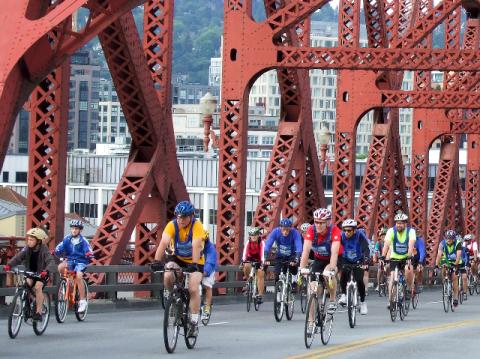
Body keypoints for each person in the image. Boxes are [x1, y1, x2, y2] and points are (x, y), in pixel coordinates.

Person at [152, 201, 206, 337]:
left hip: (196, 261)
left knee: (193, 288)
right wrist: (157, 261)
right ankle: (173, 298)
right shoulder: (172, 225)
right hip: (177, 258)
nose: (181, 220)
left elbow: (196, 245)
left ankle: (193, 323)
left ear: (192, 216)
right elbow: (163, 242)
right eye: (179, 216)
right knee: (168, 272)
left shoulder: (197, 226)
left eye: (184, 217)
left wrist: (194, 265)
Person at [4, 228, 57, 321]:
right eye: (28, 239)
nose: (29, 241)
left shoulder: (44, 249)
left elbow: (51, 261)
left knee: (37, 287)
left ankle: (38, 312)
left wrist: (47, 270)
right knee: (26, 285)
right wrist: (9, 265)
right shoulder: (27, 249)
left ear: (38, 241)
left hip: (42, 274)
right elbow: (18, 257)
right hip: (31, 272)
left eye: (32, 240)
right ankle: (30, 302)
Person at [299, 208, 343, 313]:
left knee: (327, 274)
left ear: (328, 222)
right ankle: (311, 322)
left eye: (321, 223)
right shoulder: (311, 229)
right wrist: (302, 268)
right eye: (316, 222)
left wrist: (332, 269)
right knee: (312, 290)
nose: (318, 225)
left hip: (334, 258)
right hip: (319, 259)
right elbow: (305, 250)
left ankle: (332, 299)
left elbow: (334, 252)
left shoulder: (335, 230)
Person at [55, 220, 93, 313]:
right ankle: (64, 283)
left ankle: (83, 300)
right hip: (70, 260)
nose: (74, 230)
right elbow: (59, 247)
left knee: (79, 276)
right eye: (72, 228)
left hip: (80, 261)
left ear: (80, 230)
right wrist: (56, 251)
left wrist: (89, 254)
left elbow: (89, 250)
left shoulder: (83, 241)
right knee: (60, 267)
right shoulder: (67, 239)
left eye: (76, 229)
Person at [380, 212, 416, 308]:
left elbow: (411, 244)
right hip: (394, 257)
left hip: (406, 257)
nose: (399, 225)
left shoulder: (411, 232)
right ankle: (390, 301)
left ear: (405, 224)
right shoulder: (391, 231)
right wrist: (383, 256)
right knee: (392, 278)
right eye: (397, 223)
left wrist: (409, 256)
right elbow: (386, 244)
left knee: (409, 271)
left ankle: (408, 289)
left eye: (401, 223)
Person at [338, 219, 370, 314]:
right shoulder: (341, 236)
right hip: (346, 258)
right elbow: (336, 247)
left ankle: (363, 303)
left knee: (359, 280)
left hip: (358, 259)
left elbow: (366, 249)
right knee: (343, 274)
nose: (346, 232)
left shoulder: (360, 235)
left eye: (349, 230)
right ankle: (343, 295)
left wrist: (366, 260)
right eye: (345, 230)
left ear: (354, 230)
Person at [264, 218, 302, 285]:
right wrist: (265, 255)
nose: (285, 232)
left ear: (290, 229)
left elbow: (299, 245)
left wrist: (297, 257)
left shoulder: (295, 233)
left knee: (293, 267)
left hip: (292, 255)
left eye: (287, 230)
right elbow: (268, 244)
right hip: (280, 255)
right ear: (280, 228)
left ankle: (294, 281)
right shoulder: (275, 232)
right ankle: (278, 289)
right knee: (277, 273)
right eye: (283, 229)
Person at [435, 230, 466, 307]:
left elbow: (458, 256)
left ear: (454, 239)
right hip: (445, 260)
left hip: (455, 261)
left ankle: (455, 297)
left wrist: (455, 264)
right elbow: (439, 255)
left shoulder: (458, 243)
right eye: (447, 238)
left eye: (451, 238)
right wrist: (437, 264)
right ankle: (445, 283)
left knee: (454, 277)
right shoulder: (442, 243)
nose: (449, 240)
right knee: (443, 269)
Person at [240, 227, 265, 303]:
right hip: (250, 258)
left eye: (255, 235)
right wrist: (243, 261)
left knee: (260, 274)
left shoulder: (262, 242)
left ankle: (260, 295)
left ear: (258, 235)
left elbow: (263, 254)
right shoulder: (248, 242)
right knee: (246, 266)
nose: (253, 236)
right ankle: (248, 281)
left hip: (260, 259)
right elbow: (245, 253)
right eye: (251, 235)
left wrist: (262, 263)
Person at [201, 229, 217, 322]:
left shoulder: (210, 248)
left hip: (208, 268)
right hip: (196, 267)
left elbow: (210, 262)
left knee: (207, 285)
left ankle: (207, 307)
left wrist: (205, 272)